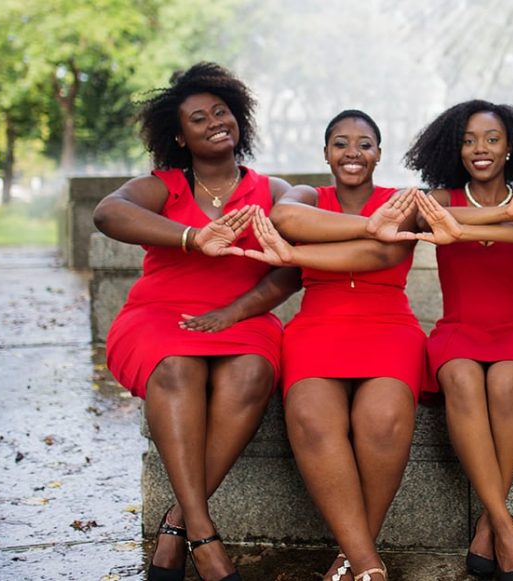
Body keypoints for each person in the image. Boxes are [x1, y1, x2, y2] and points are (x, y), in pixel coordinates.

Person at [92, 62, 300, 581]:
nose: (214, 123)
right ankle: (204, 537)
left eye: (222, 112)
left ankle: (179, 521)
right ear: (180, 136)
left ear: (240, 119)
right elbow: (106, 213)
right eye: (199, 118)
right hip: (158, 315)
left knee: (253, 371)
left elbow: (290, 273)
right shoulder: (162, 186)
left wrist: (232, 312)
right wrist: (193, 238)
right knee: (176, 366)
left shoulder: (270, 188)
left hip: (242, 315)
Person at [247, 109, 423, 581]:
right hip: (318, 325)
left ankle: (353, 557)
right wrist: (368, 224)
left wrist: (297, 253)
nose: (353, 153)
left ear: (379, 154)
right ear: (326, 153)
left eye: (364, 144)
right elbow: (284, 216)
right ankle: (367, 562)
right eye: (341, 143)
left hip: (388, 324)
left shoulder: (400, 201)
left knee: (383, 420)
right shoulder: (306, 196)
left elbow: (382, 253)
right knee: (310, 417)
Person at [402, 99, 513, 580]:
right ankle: (504, 526)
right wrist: (502, 214)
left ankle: (490, 524)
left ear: (510, 146)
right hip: (456, 329)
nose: (480, 149)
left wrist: (502, 214)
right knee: (462, 381)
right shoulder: (438, 200)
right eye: (470, 140)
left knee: (507, 385)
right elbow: (430, 224)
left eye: (492, 139)